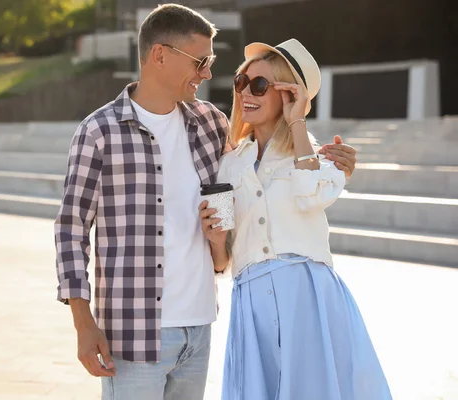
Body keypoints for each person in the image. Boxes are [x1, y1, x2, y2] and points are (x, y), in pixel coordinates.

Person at [54, 4, 358, 399]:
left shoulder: (210, 124)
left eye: (212, 62)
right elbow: (71, 227)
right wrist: (82, 322)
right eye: (201, 61)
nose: (208, 73)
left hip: (199, 330)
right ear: (160, 55)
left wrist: (331, 164)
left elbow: (267, 166)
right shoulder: (99, 132)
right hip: (134, 331)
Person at [199, 38, 391, 399]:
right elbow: (222, 261)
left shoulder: (324, 159)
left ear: (289, 94)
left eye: (260, 85)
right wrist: (214, 237)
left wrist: (297, 122)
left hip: (308, 296)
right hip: (252, 299)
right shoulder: (228, 165)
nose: (246, 93)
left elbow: (312, 194)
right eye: (242, 82)